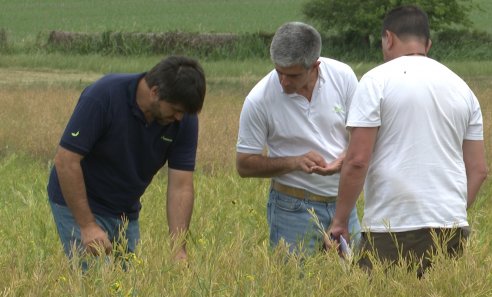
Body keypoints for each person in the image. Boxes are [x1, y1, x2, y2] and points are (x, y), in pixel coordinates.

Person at [327, 5, 488, 275]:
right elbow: (479, 170)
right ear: (428, 44)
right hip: (451, 228)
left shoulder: (376, 81)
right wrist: (451, 213)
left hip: (392, 228)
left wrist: (340, 221)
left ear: (388, 38)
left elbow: (357, 160)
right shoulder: (462, 88)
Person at [47, 55, 206, 264]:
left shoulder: (184, 119)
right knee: (95, 285)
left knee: (126, 288)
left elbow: (181, 186)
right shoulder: (104, 96)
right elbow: (66, 160)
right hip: (80, 203)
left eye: (184, 113)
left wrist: (178, 249)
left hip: (125, 212)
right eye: (176, 110)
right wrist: (87, 226)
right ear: (155, 92)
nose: (179, 118)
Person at [236, 22, 361, 254]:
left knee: (354, 282)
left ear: (315, 65)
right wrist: (293, 162)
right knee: (294, 284)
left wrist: (345, 159)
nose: (283, 81)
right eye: (278, 71)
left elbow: (361, 137)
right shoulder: (258, 99)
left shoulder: (343, 77)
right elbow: (244, 164)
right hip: (291, 208)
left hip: (344, 204)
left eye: (292, 75)